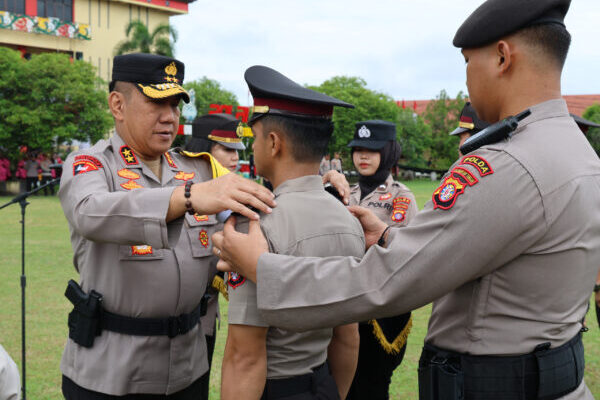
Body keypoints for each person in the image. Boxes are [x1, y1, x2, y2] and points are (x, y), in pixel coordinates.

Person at [213, 1, 600, 399]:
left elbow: (383, 283)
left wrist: (263, 267)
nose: (466, 80)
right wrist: (387, 238)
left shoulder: (510, 165)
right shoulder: (575, 150)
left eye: (468, 62)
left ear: (502, 57)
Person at [58, 53, 275, 400]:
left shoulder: (199, 169)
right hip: (112, 373)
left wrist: (315, 187)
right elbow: (90, 212)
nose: (169, 117)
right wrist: (185, 198)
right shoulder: (92, 165)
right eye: (156, 103)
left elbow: (255, 217)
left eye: (175, 105)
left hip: (187, 369)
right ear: (117, 104)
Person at [221, 65, 362, 400]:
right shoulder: (348, 220)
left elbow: (245, 358)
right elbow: (347, 337)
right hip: (323, 383)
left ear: (273, 143)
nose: (251, 148)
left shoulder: (255, 225)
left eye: (254, 138)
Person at [345, 120, 418, 400]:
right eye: (358, 149)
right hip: (345, 304)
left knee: (372, 387)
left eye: (371, 150)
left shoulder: (401, 197)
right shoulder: (344, 194)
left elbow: (409, 252)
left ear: (387, 153)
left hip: (380, 309)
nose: (363, 156)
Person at [184, 112, 247, 398]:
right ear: (204, 147)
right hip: (172, 309)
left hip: (205, 311)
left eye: (237, 150)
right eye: (227, 149)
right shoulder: (179, 187)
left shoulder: (230, 187)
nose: (235, 157)